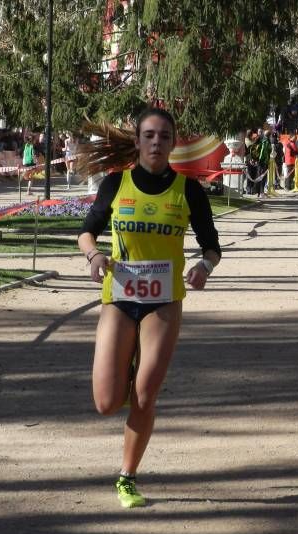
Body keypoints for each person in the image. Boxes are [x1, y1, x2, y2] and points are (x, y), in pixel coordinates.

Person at [76, 107, 221, 509]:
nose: (156, 142)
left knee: (144, 394)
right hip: (120, 298)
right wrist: (94, 257)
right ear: (138, 141)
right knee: (106, 402)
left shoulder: (187, 190)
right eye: (149, 135)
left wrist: (204, 266)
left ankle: (127, 477)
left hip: (163, 301)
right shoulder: (115, 184)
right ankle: (123, 374)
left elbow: (212, 246)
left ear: (174, 143)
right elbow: (86, 232)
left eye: (164, 136)